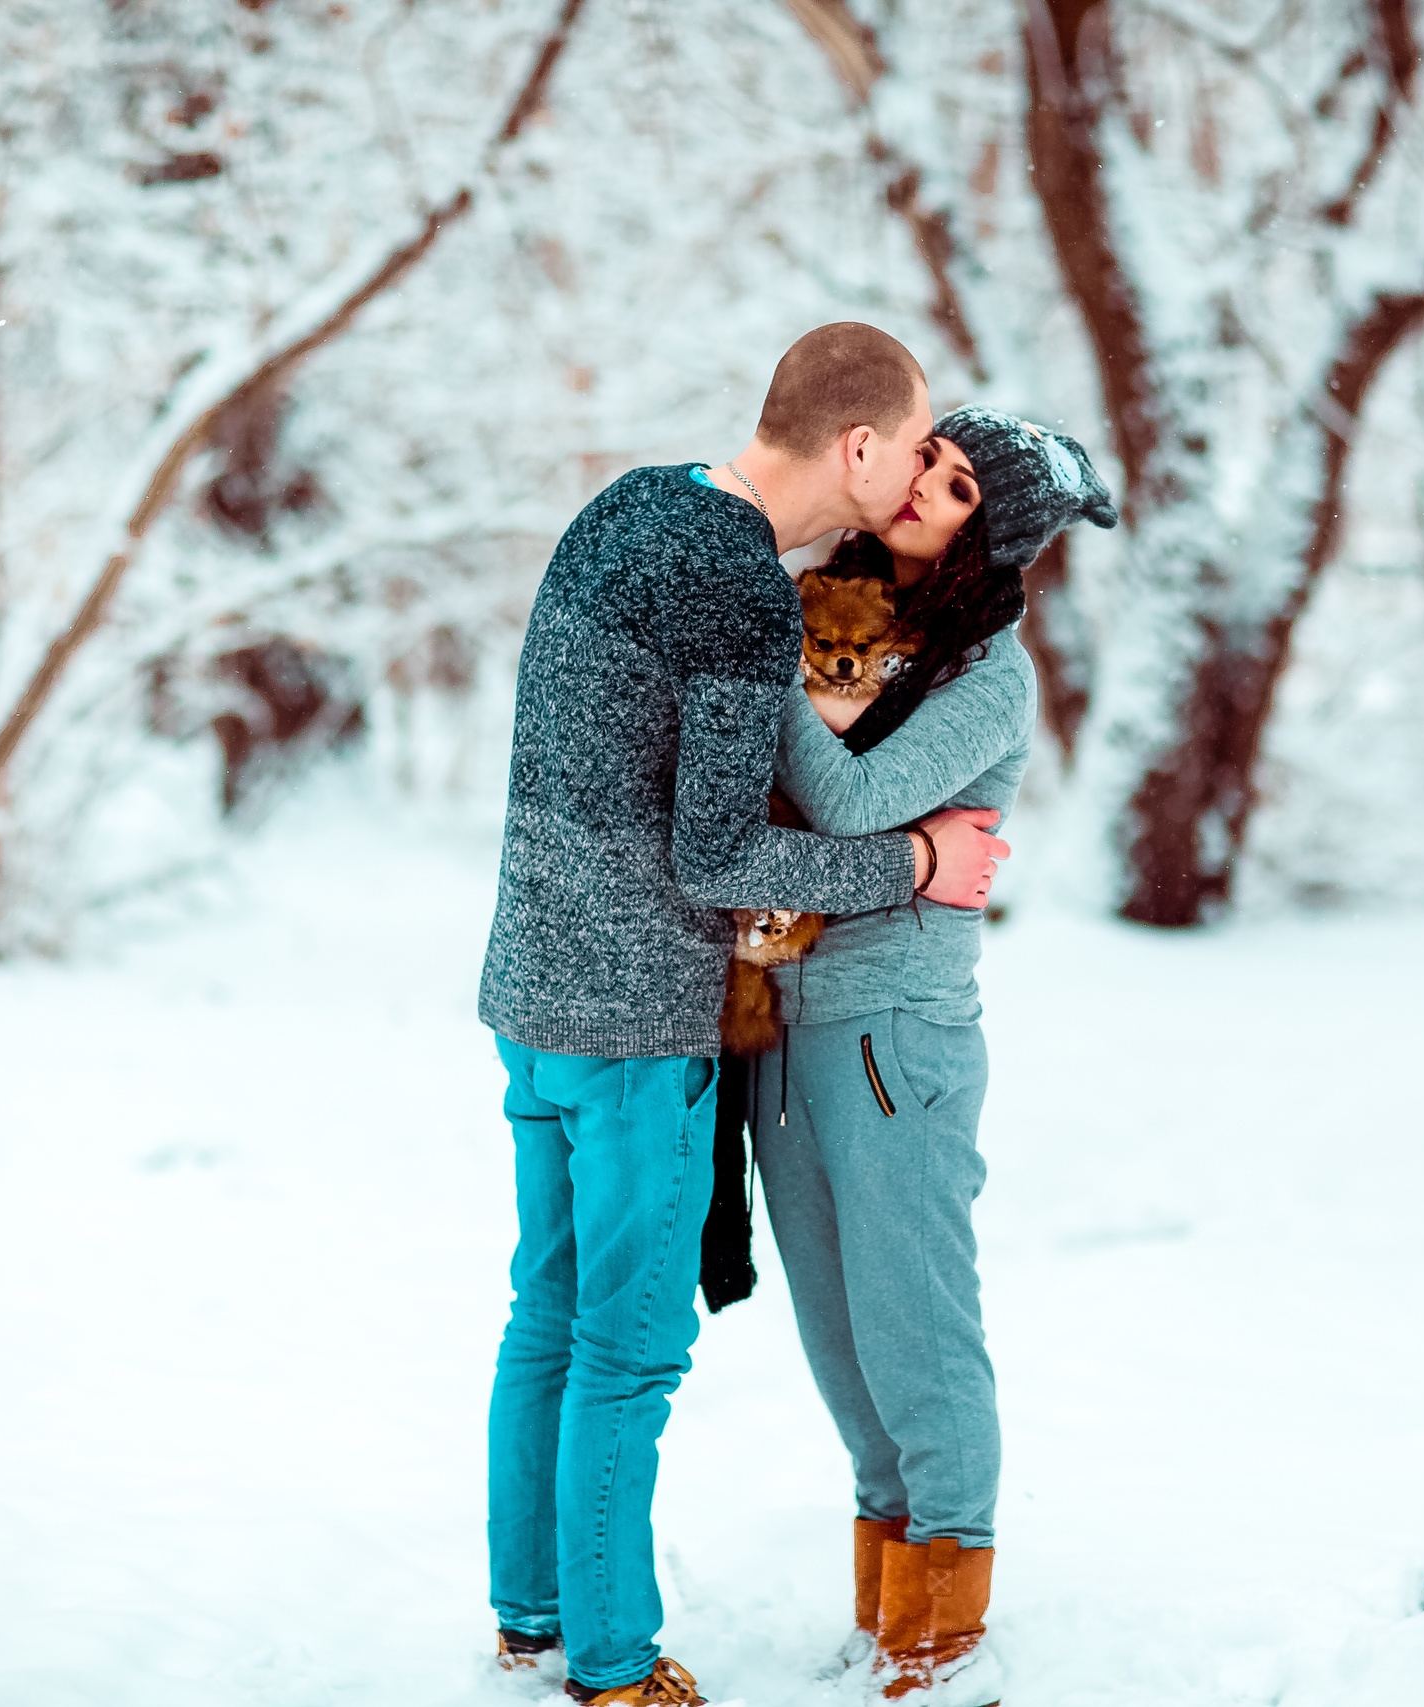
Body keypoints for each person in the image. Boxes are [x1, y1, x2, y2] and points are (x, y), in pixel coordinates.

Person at [474, 324, 1011, 1707]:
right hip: (635, 1022)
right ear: (855, 448)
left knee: (548, 1315)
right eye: (908, 448)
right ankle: (611, 1665)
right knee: (627, 1345)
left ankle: (532, 1615)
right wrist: (915, 864)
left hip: (533, 997)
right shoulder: (736, 588)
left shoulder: (632, 507)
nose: (908, 481)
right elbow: (718, 857)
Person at [750, 407, 1116, 1705]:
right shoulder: (836, 609)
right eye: (929, 463)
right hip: (786, 1024)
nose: (927, 493)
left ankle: (947, 1630)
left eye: (962, 487)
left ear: (987, 535)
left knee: (916, 1334)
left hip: (892, 1030)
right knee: (839, 1347)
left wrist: (764, 670)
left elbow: (847, 802)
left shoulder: (983, 675)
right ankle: (887, 1604)